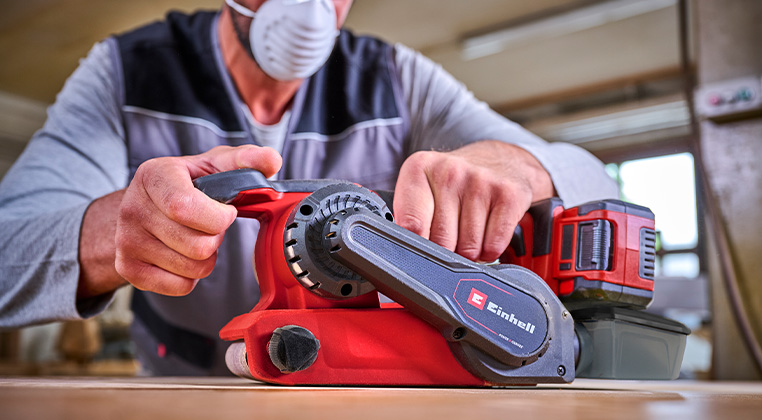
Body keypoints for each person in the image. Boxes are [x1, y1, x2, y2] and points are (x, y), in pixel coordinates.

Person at [0, 0, 617, 375]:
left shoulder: (397, 78)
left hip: (358, 389)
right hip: (182, 386)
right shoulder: (125, 72)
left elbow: (590, 176)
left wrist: (516, 164)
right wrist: (116, 232)